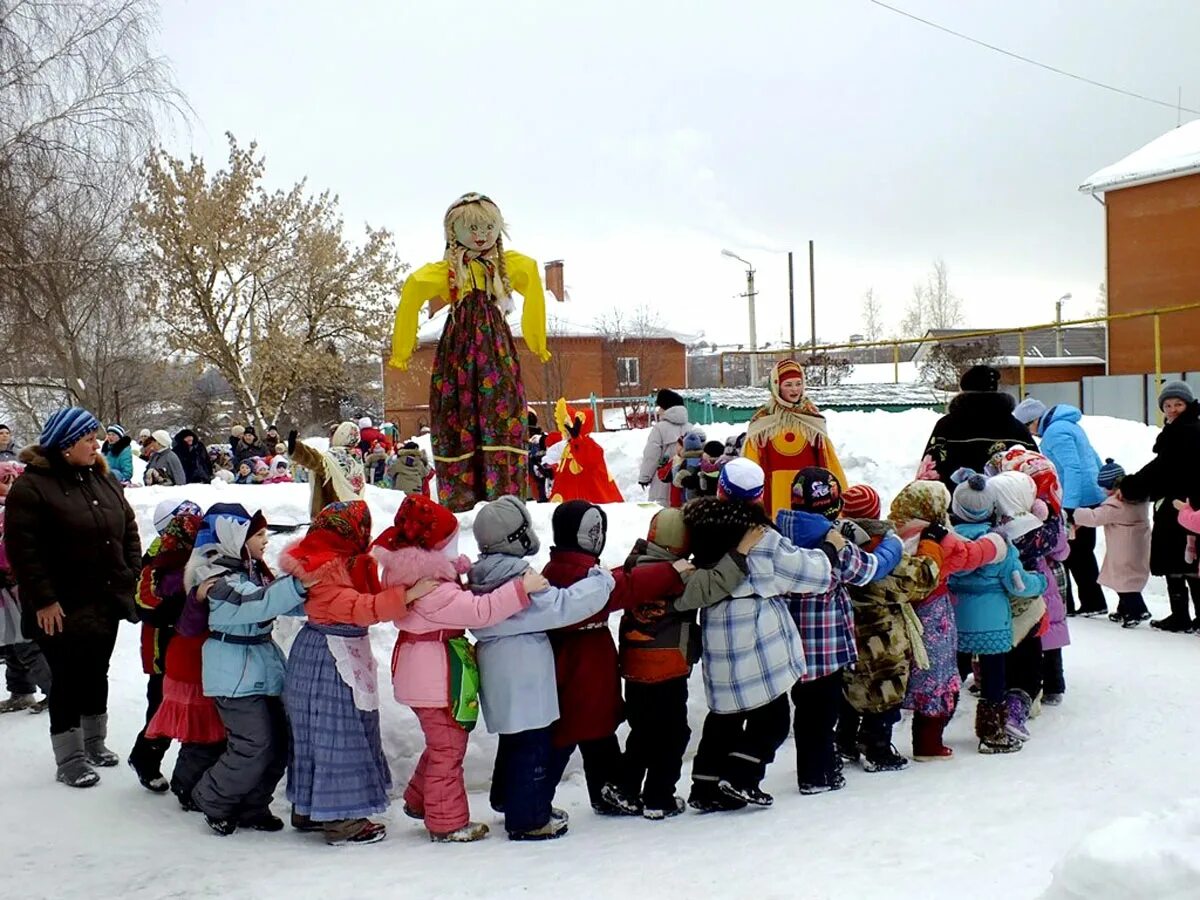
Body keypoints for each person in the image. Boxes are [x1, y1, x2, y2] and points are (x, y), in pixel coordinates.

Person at [376, 494, 538, 843]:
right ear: (434, 550)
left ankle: (421, 801)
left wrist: (458, 569)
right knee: (449, 749)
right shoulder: (434, 591)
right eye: (451, 544)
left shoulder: (413, 578)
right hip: (436, 678)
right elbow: (480, 611)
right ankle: (447, 822)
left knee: (441, 744)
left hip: (424, 673)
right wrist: (520, 589)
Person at [682, 459, 842, 811]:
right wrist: (831, 547)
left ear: (720, 489)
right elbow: (810, 573)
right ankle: (742, 778)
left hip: (717, 629)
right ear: (759, 496)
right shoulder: (761, 537)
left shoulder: (697, 525)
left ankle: (705, 787)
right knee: (772, 716)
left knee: (724, 713)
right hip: (755, 632)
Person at [5, 407, 141, 787]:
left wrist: (130, 573)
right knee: (66, 677)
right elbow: (22, 550)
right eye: (88, 439)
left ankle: (95, 742)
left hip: (105, 598)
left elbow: (128, 527)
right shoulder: (32, 487)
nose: (96, 444)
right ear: (65, 445)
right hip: (61, 604)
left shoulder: (102, 478)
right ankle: (70, 758)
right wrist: (45, 599)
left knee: (97, 671)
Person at [466, 496, 615, 841]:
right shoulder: (519, 581)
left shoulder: (483, 574)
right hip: (524, 670)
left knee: (514, 741)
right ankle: (529, 818)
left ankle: (509, 798)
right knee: (532, 745)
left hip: (499, 664)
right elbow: (563, 606)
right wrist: (601, 582)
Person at [389, 194, 550, 512]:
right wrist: (402, 350)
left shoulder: (509, 264)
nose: (481, 234)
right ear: (454, 232)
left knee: (500, 407)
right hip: (459, 349)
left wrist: (537, 340)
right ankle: (463, 499)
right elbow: (412, 289)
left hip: (495, 348)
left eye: (489, 227)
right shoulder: (446, 270)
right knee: (458, 410)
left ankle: (503, 497)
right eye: (472, 228)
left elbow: (531, 276)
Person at [279, 501, 422, 846]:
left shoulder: (321, 560)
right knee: (337, 736)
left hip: (318, 656)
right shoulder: (327, 571)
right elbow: (360, 608)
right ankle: (342, 820)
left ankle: (310, 808)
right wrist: (410, 594)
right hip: (330, 661)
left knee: (315, 736)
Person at [542, 501, 682, 816]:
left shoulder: (564, 567)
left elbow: (612, 580)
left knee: (592, 729)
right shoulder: (575, 575)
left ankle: (605, 792)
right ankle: (534, 801)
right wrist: (671, 572)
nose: (598, 537)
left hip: (582, 659)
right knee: (584, 730)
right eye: (592, 530)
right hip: (583, 663)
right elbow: (623, 588)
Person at [186, 504, 311, 836]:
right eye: (257, 535)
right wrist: (301, 582)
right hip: (232, 673)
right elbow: (258, 602)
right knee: (253, 743)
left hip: (261, 666)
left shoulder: (251, 571)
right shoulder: (215, 579)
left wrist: (319, 592)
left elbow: (280, 600)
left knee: (279, 742)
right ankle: (212, 798)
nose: (265, 541)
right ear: (234, 537)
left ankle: (253, 806)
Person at [777, 468, 902, 792]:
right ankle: (816, 775)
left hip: (790, 637)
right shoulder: (830, 541)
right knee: (822, 710)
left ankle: (814, 766)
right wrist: (892, 545)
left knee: (806, 708)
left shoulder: (779, 532)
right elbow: (867, 571)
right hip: (824, 641)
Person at [889, 478, 1005, 761]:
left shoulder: (890, 534)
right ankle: (928, 744)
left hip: (895, 613)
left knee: (900, 670)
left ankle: (871, 737)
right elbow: (972, 555)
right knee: (934, 674)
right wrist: (996, 543)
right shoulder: (939, 538)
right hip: (931, 614)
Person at [838, 483, 943, 771]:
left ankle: (844, 740)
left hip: (846, 633)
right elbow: (921, 579)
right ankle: (877, 748)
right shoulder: (884, 552)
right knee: (884, 694)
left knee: (850, 689)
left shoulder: (836, 545)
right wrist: (932, 545)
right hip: (882, 639)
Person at [610, 509, 699, 819]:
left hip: (634, 668)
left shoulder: (633, 566)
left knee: (643, 731)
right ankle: (659, 796)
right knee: (674, 734)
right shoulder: (681, 575)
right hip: (669, 668)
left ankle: (626, 788)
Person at [128, 500, 203, 792]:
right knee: (162, 706)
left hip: (191, 645)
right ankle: (145, 758)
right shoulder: (159, 555)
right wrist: (183, 606)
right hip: (163, 647)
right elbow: (145, 602)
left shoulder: (200, 552)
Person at [1117, 382, 1200, 631]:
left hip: (1180, 506)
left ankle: (1180, 616)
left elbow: (1161, 470)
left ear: (1188, 404)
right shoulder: (1184, 429)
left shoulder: (1184, 432)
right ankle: (1188, 616)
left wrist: (1130, 486)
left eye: (1178, 404)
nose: (1172, 409)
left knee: (1177, 563)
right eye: (1167, 405)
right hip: (1186, 503)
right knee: (1188, 563)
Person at [1014, 398, 1108, 616]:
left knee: (1073, 552)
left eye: (1028, 428)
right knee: (1082, 552)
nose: (1032, 435)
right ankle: (1092, 601)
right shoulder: (1069, 425)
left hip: (1076, 499)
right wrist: (1103, 486)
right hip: (1089, 495)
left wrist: (1068, 508)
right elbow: (1093, 457)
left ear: (1034, 421)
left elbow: (1072, 468)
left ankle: (1084, 603)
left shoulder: (1054, 432)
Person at [743, 360, 846, 519]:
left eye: (798, 384)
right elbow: (751, 462)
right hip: (775, 491)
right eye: (788, 384)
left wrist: (841, 495)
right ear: (777, 386)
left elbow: (827, 460)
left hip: (810, 492)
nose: (795, 389)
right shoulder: (763, 420)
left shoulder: (812, 418)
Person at [919, 365, 1037, 491]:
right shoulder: (1017, 428)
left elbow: (927, 475)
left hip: (954, 506)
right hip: (1009, 506)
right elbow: (1037, 469)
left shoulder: (946, 426)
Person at [0, 459, 51, 713]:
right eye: (3, 481)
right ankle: (20, 689)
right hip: (3, 592)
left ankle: (54, 689)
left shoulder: (19, 511)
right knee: (9, 642)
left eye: (12, 480)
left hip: (16, 587)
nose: (8, 486)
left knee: (26, 642)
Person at [288, 422, 366, 519]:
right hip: (356, 510)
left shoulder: (333, 457)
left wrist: (296, 448)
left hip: (334, 512)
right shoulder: (356, 457)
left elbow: (316, 460)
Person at [639, 389, 691, 506]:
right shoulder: (690, 428)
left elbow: (651, 456)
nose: (658, 411)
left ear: (666, 409)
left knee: (662, 512)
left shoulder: (659, 429)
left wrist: (645, 477)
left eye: (660, 407)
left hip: (662, 483)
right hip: (685, 483)